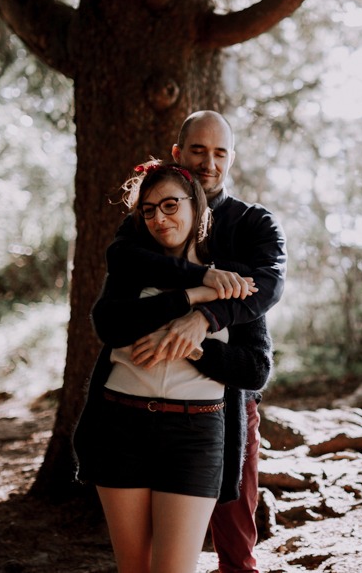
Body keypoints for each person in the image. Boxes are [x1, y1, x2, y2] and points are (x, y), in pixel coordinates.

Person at [105, 111, 287, 573]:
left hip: (228, 390)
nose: (209, 162)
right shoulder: (149, 217)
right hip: (140, 401)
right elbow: (123, 261)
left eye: (220, 152)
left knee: (235, 519)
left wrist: (203, 320)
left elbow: (265, 286)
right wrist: (202, 281)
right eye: (198, 151)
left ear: (231, 158)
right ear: (177, 155)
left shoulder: (253, 223)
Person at [72, 159, 260, 573]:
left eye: (170, 205)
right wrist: (190, 296)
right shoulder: (131, 266)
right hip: (120, 426)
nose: (160, 217)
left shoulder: (235, 279)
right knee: (133, 568)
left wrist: (193, 346)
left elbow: (255, 369)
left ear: (195, 205)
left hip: (195, 436)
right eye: (149, 209)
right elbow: (110, 324)